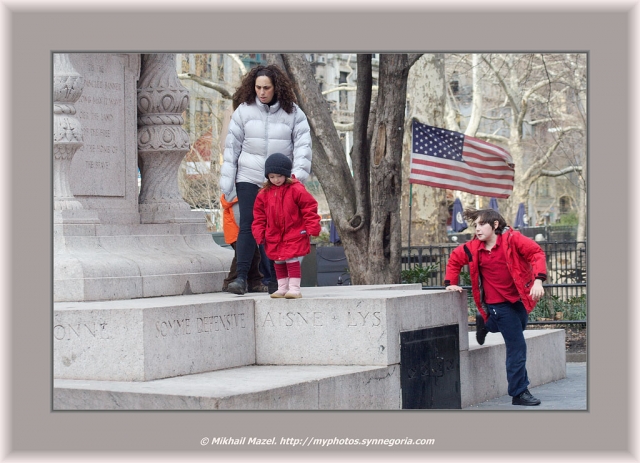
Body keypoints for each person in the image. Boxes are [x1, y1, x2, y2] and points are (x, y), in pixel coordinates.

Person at [219, 64, 312, 295]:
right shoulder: (243, 111)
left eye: (266, 88)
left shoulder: (293, 113)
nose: (262, 92)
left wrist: (296, 177)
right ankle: (240, 279)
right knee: (249, 225)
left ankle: (274, 281)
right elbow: (232, 148)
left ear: (276, 88)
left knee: (275, 228)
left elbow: (303, 146)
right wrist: (228, 182)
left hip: (278, 180)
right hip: (248, 176)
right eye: (258, 87)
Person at [444, 208, 547, 406]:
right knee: (517, 346)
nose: (478, 229)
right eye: (475, 226)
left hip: (518, 300)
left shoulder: (513, 240)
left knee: (519, 327)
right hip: (497, 304)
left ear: (495, 225)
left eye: (482, 224)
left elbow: (536, 253)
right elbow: (455, 259)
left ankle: (486, 323)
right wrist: (451, 282)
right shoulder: (473, 248)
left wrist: (538, 280)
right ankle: (519, 392)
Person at [252, 153, 321, 299]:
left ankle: (294, 288)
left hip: (294, 232)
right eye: (272, 177)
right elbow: (259, 216)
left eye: (279, 176)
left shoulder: (296, 189)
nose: (276, 180)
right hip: (274, 234)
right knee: (278, 260)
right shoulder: (264, 194)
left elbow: (309, 207)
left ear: (286, 174)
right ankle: (282, 287)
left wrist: (312, 226)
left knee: (291, 259)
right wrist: (260, 232)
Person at [220, 188, 268, 293]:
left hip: (237, 232)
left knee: (251, 255)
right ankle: (235, 281)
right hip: (239, 232)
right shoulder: (237, 196)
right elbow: (240, 218)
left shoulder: (236, 194)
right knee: (246, 256)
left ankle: (253, 282)